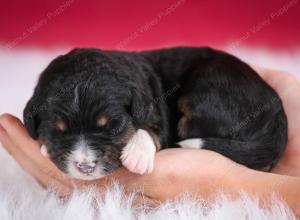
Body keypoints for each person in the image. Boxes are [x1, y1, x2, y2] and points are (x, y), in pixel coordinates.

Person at [0, 65, 299, 215]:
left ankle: (234, 146)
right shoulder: (49, 100)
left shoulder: (141, 97)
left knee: (199, 97)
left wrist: (225, 181)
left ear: (135, 106)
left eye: (108, 128)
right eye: (61, 130)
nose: (84, 159)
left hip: (232, 101)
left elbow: (154, 122)